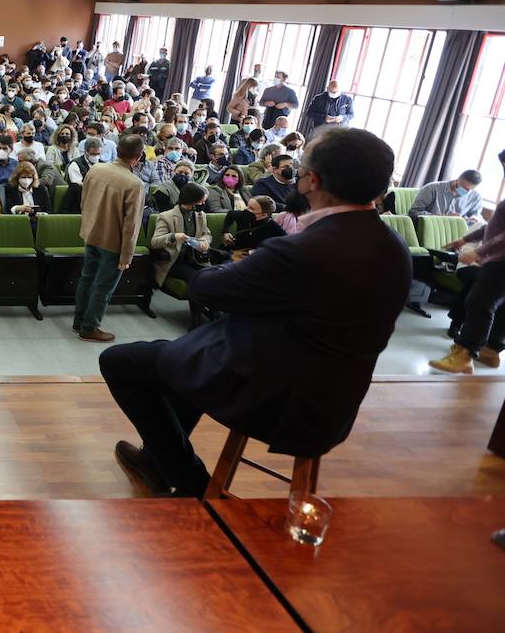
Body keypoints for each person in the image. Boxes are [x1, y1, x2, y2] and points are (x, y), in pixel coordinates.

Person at [102, 128, 410, 497]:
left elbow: (205, 288)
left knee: (120, 362)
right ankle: (158, 460)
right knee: (179, 363)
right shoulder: (396, 248)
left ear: (312, 180)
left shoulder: (301, 250)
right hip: (332, 401)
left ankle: (189, 480)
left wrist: (242, 266)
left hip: (271, 395)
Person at [427, 150, 505, 374]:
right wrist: (466, 239)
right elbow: (493, 226)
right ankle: (491, 351)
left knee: (479, 304)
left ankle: (463, 355)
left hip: (500, 261)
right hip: (498, 259)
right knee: (499, 307)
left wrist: (479, 251)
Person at [73, 134, 145, 344]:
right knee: (103, 286)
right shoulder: (134, 183)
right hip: (113, 242)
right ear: (138, 157)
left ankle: (79, 321)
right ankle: (89, 327)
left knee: (87, 278)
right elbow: (132, 225)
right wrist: (127, 254)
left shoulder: (95, 169)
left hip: (91, 232)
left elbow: (84, 201)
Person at [149, 181, 212, 326]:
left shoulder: (200, 215)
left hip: (196, 258)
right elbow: (155, 241)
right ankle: (196, 320)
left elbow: (206, 234)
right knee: (195, 278)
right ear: (192, 200)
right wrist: (173, 237)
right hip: (175, 260)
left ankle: (212, 312)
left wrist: (204, 242)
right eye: (201, 200)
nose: (203, 203)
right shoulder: (167, 216)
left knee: (214, 275)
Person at [408, 171, 483, 226]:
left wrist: (474, 218)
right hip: (425, 228)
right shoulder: (432, 189)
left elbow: (475, 215)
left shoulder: (475, 198)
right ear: (457, 179)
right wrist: (444, 217)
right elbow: (413, 213)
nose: (461, 191)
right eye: (460, 187)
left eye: (467, 190)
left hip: (451, 234)